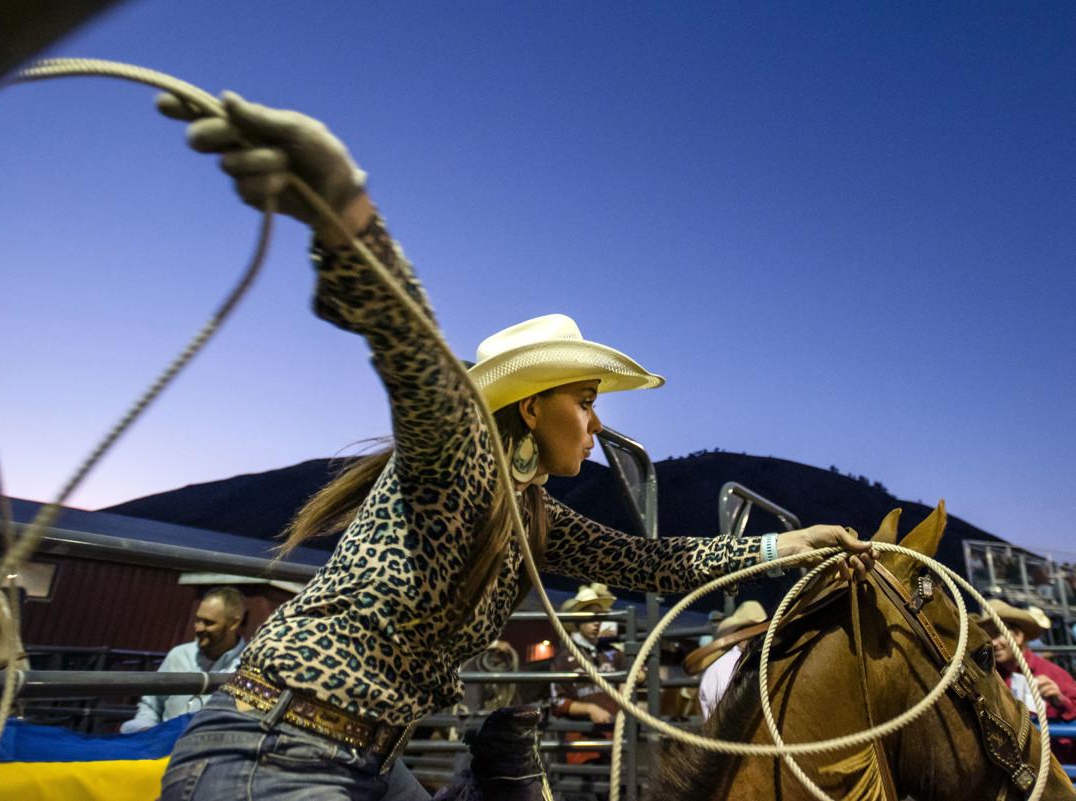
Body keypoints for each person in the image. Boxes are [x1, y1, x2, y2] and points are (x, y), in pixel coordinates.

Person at [154, 92, 875, 801]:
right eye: (585, 403)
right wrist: (349, 214)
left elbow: (652, 560)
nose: (595, 425)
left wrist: (788, 547)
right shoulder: (457, 455)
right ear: (532, 407)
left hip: (359, 758)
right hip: (273, 752)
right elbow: (421, 364)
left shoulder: (530, 515)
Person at [121, 586, 247, 733]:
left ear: (234, 623)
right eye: (198, 619)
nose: (198, 628)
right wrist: (148, 734)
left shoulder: (248, 667)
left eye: (208, 623)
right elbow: (151, 705)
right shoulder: (178, 655)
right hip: (163, 749)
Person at [978, 598, 1076, 763]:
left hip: (1057, 766)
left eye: (997, 634)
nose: (993, 643)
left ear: (1018, 635)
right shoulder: (988, 676)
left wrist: (1059, 700)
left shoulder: (1052, 674)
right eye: (988, 637)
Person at [550, 583, 623, 766]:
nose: (596, 622)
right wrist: (590, 709)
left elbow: (638, 672)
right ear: (578, 620)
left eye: (598, 617)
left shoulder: (612, 653)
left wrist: (636, 676)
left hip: (613, 743)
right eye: (590, 617)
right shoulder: (564, 658)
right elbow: (557, 702)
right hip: (583, 746)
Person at [693, 600, 767, 720]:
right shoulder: (726, 666)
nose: (757, 637)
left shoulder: (725, 663)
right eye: (751, 630)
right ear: (738, 633)